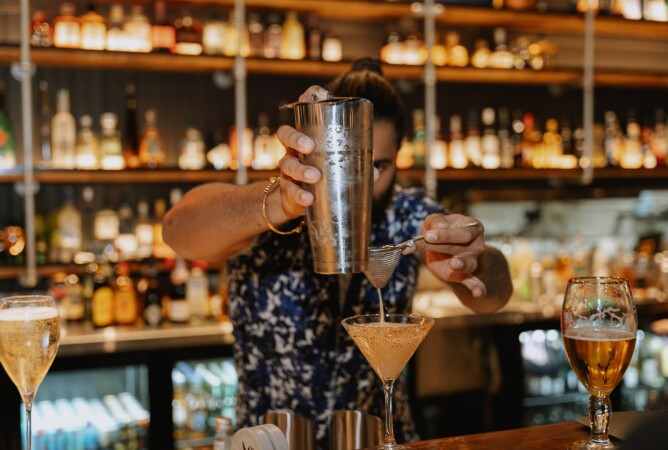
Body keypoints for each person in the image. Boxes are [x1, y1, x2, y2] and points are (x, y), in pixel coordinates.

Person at [162, 58, 513, 448]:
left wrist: (473, 262)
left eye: (379, 164)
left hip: (380, 439)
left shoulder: (407, 213)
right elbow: (176, 230)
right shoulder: (273, 208)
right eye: (349, 161)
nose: (367, 179)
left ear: (398, 156)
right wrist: (279, 203)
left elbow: (495, 295)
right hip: (270, 441)